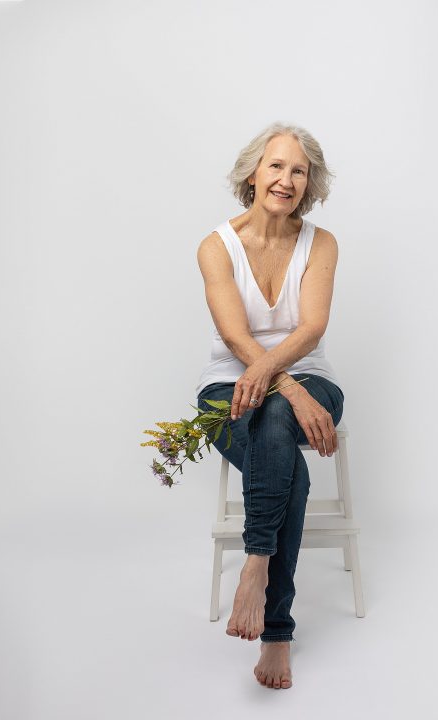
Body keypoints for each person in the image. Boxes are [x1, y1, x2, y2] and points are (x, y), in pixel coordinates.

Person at [195, 122, 345, 690]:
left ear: (310, 183)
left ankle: (255, 565)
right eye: (276, 166)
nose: (286, 180)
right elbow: (236, 339)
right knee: (292, 473)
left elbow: (312, 327)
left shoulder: (321, 242)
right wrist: (286, 384)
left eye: (299, 170)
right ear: (253, 173)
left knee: (278, 418)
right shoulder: (216, 246)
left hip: (313, 382)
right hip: (228, 385)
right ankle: (277, 631)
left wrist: (293, 384)